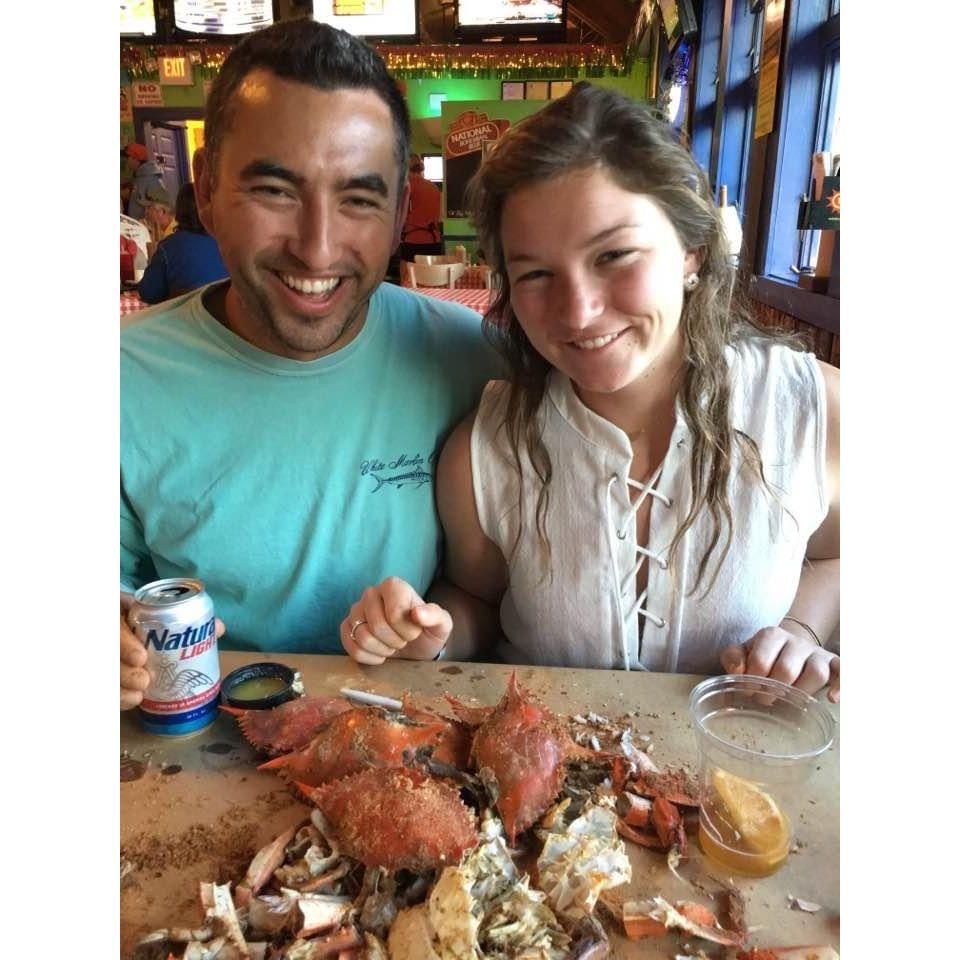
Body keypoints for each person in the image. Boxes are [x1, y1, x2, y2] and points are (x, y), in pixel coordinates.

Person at [342, 82, 840, 704]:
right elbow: (479, 602)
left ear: (693, 251)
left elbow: (841, 558)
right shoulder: (484, 449)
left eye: (615, 255)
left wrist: (799, 631)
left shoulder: (811, 411)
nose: (577, 312)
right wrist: (432, 635)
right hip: (551, 785)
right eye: (537, 274)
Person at [120, 20, 501, 710]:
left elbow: (504, 597)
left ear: (397, 215)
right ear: (205, 191)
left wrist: (440, 635)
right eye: (275, 191)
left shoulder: (473, 358)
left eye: (358, 198)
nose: (318, 249)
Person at [137, 181, 228, 303]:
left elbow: (148, 293)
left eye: (149, 208)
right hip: (226, 319)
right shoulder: (228, 243)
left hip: (184, 318)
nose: (146, 212)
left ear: (179, 211)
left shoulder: (168, 247)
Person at [399, 153, 443, 262]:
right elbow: (438, 217)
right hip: (433, 242)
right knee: (431, 278)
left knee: (408, 278)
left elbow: (400, 216)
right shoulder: (434, 188)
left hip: (412, 242)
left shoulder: (407, 187)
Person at [123, 142, 165, 220]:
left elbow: (162, 208)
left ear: (135, 158)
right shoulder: (139, 179)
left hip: (146, 229)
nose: (126, 161)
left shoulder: (152, 180)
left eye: (127, 157)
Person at [141, 184, 178, 256]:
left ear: (162, 212)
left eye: (149, 207)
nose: (146, 212)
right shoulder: (160, 230)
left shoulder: (173, 235)